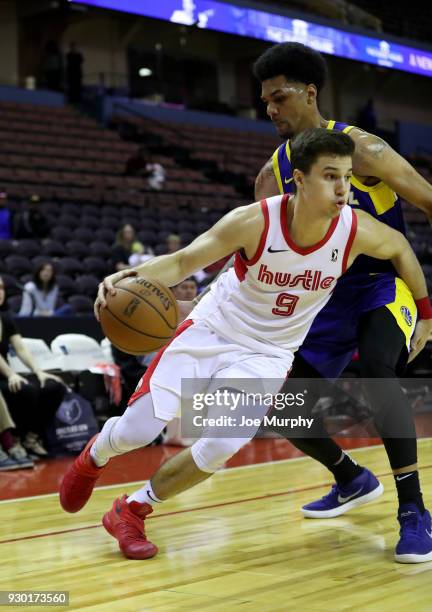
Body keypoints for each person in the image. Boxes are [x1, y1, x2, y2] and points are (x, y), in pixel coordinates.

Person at [60, 129, 432, 562]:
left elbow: (402, 248)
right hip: (215, 330)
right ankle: (95, 455)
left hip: (269, 354)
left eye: (347, 177)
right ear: (299, 179)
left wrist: (424, 311)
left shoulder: (356, 229)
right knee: (137, 431)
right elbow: (184, 261)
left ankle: (131, 510)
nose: (342, 188)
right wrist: (131, 276)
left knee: (219, 445)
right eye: (330, 176)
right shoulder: (255, 220)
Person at [250, 42, 432, 563]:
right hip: (321, 298)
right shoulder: (270, 176)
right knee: (283, 405)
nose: (270, 109)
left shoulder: (363, 149)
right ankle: (350, 478)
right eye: (264, 101)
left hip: (383, 283)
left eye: (279, 97)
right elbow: (259, 245)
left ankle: (414, 511)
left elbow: (427, 199)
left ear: (310, 93)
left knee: (378, 369)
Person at [0, 276, 66, 460]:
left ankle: (32, 437)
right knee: (25, 391)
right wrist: (12, 374)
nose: (0, 292)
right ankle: (16, 438)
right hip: (4, 374)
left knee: (53, 386)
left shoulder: (5, 318)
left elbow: (20, 348)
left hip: (8, 374)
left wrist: (39, 372)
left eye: (2, 288)